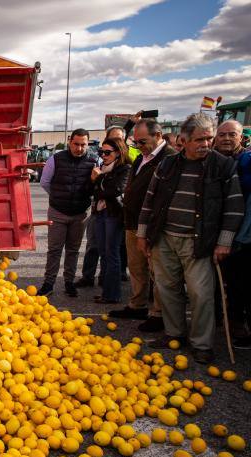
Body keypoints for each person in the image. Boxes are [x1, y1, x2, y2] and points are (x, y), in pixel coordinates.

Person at [136, 113, 244, 363]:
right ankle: (174, 334)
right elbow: (150, 201)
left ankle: (202, 344)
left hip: (200, 241)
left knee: (201, 293)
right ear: (183, 140)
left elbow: (234, 206)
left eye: (209, 138)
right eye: (199, 139)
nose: (205, 144)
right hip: (164, 237)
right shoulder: (168, 164)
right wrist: (143, 235)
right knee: (167, 289)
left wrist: (224, 241)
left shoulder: (223, 166)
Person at [109, 119, 177, 330]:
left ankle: (158, 313)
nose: (138, 146)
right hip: (133, 221)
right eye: (136, 142)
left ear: (158, 136)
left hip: (153, 225)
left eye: (143, 141)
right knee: (136, 267)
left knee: (157, 270)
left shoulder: (171, 158)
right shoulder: (141, 158)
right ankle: (137, 304)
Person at [39, 128, 98, 297]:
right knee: (54, 249)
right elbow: (45, 182)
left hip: (80, 214)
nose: (79, 148)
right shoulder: (55, 159)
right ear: (69, 142)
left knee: (73, 249)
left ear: (88, 144)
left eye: (83, 145)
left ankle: (69, 283)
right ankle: (48, 284)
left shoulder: (95, 161)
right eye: (76, 144)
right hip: (57, 212)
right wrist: (58, 197)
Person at [213, 119, 251, 345]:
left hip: (241, 234)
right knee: (214, 282)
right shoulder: (210, 160)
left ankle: (237, 324)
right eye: (222, 134)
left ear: (241, 138)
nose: (227, 138)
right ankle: (218, 321)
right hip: (212, 231)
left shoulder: (246, 160)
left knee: (240, 282)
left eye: (232, 135)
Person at [92, 138, 131, 303]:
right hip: (100, 212)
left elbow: (115, 190)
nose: (103, 155)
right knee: (103, 253)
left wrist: (99, 179)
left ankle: (112, 294)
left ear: (118, 152)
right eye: (101, 152)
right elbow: (97, 191)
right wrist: (100, 183)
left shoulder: (125, 168)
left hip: (113, 214)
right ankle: (107, 292)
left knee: (112, 253)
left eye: (107, 152)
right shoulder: (102, 167)